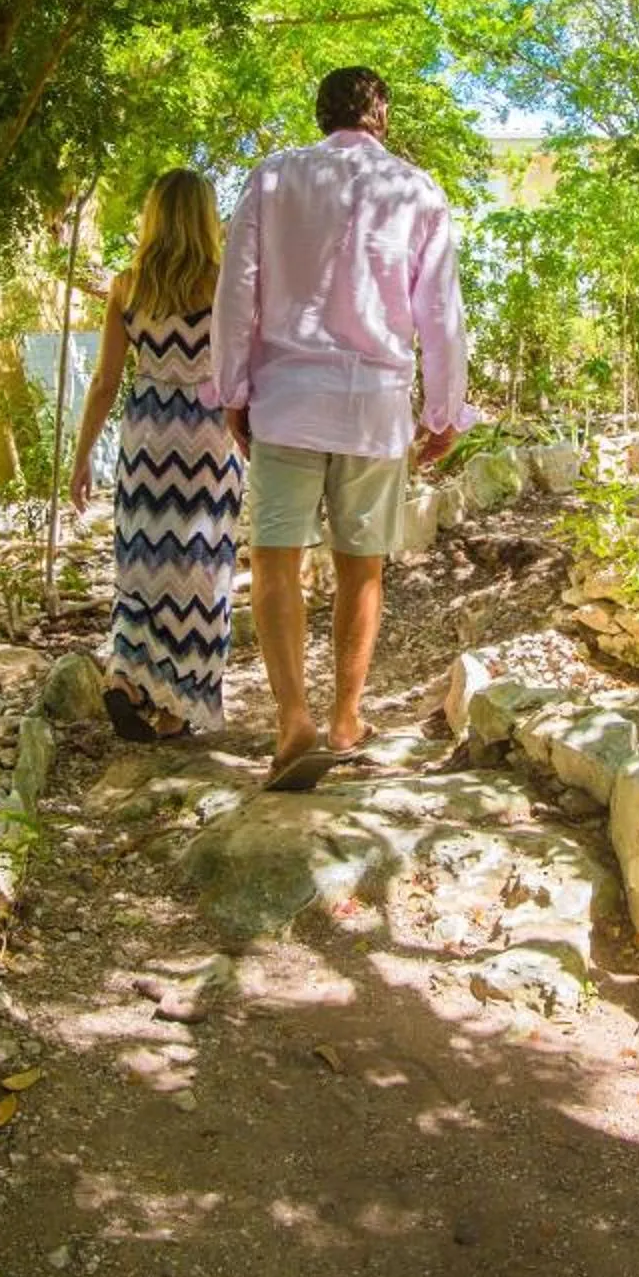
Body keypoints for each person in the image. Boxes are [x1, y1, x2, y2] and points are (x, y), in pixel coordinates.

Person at [207, 66, 474, 791]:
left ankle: (293, 720)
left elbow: (237, 289)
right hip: (374, 406)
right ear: (380, 115)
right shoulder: (417, 190)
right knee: (363, 564)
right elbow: (440, 313)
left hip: (286, 400)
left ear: (319, 113)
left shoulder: (271, 179)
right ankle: (347, 719)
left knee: (274, 559)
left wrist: (232, 388)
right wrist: (444, 410)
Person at [69, 169, 245, 740]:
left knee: (142, 563)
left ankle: (125, 679)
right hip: (209, 436)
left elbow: (103, 382)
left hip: (148, 437)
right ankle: (178, 709)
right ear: (203, 217)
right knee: (201, 566)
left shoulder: (128, 286)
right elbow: (244, 372)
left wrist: (81, 456)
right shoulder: (224, 286)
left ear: (152, 217)